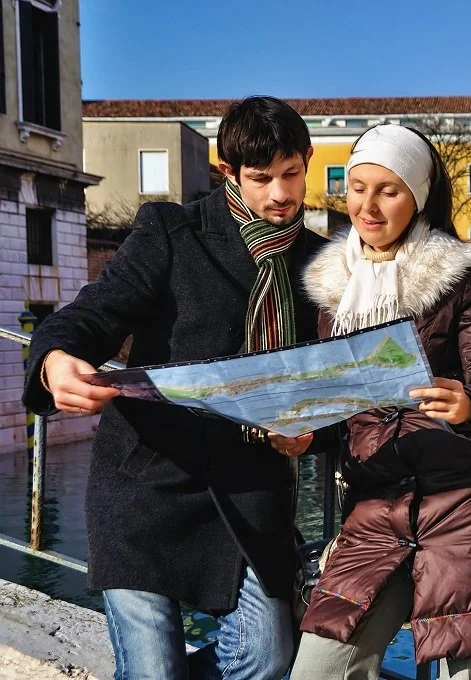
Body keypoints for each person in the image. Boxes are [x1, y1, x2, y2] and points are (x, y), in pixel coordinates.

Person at [22, 96, 331, 680]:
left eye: (292, 174)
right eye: (262, 179)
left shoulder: (324, 263)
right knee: (153, 672)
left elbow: (335, 385)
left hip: (251, 495)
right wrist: (57, 361)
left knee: (269, 661)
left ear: (308, 159)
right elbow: (94, 313)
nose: (281, 194)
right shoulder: (170, 232)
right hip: (144, 487)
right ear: (227, 172)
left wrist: (308, 438)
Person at [290, 124, 471, 679]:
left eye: (389, 190)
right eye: (358, 188)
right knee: (318, 670)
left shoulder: (459, 276)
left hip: (465, 503)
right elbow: (342, 407)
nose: (368, 206)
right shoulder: (333, 291)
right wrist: (308, 434)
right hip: (377, 506)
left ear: (419, 196)